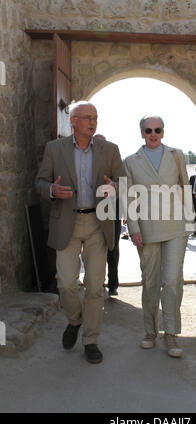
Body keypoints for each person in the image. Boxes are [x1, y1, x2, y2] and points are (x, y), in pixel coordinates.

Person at [35, 101, 124, 364]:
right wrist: (52, 190)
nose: (92, 121)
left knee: (96, 287)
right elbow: (40, 181)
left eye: (95, 117)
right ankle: (74, 320)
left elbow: (123, 180)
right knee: (66, 283)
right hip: (66, 222)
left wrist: (114, 187)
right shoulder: (54, 149)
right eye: (87, 117)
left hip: (98, 224)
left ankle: (91, 340)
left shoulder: (110, 150)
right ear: (73, 121)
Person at [123, 115, 192, 358]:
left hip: (176, 227)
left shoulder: (177, 155)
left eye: (158, 130)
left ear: (163, 131)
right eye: (148, 130)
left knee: (172, 280)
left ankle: (171, 333)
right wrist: (133, 229)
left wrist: (190, 222)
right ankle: (150, 331)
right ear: (141, 133)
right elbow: (128, 197)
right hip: (147, 228)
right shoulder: (130, 161)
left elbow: (185, 187)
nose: (153, 134)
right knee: (150, 281)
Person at [94, 134, 121, 297]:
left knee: (112, 247)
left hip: (113, 211)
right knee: (94, 248)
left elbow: (122, 183)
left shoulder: (113, 161)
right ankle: (97, 283)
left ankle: (113, 284)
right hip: (93, 211)